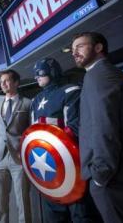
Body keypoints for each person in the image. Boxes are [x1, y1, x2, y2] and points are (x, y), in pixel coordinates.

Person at [72, 32, 123, 223]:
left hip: (111, 177)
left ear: (98, 48)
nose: (75, 52)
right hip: (115, 173)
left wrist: (100, 174)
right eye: (73, 50)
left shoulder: (99, 75)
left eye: (80, 46)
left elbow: (103, 125)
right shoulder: (100, 74)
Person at [31, 58, 99, 223]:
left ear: (52, 71)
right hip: (48, 166)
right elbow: (34, 135)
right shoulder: (36, 100)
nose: (36, 77)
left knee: (80, 214)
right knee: (54, 215)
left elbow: (75, 128)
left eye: (40, 72)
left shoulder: (71, 91)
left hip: (73, 162)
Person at [0, 69, 31, 223]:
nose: (3, 84)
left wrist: (25, 153)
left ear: (16, 83)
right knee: (0, 201)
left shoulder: (27, 103)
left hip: (19, 159)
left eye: (7, 80)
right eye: (1, 82)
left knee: (22, 201)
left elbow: (30, 131)